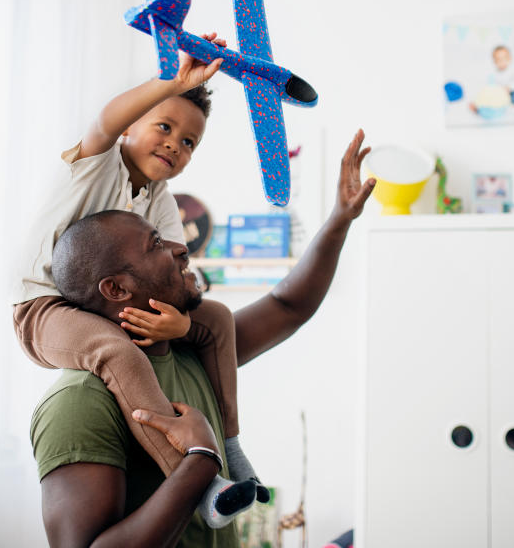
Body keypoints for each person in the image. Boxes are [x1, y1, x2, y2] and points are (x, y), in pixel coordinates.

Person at [30, 131, 375, 547]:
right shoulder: (80, 400)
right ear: (117, 289)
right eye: (155, 243)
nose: (180, 247)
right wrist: (200, 462)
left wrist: (340, 218)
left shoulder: (196, 352)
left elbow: (289, 307)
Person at [13, 33, 265, 528]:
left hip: (113, 304)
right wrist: (171, 81)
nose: (175, 143)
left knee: (215, 316)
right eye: (164, 126)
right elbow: (105, 121)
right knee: (116, 351)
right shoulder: (95, 165)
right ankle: (199, 483)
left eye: (189, 142)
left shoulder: (161, 198)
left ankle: (231, 448)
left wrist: (180, 323)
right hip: (46, 309)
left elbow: (175, 271)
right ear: (132, 126)